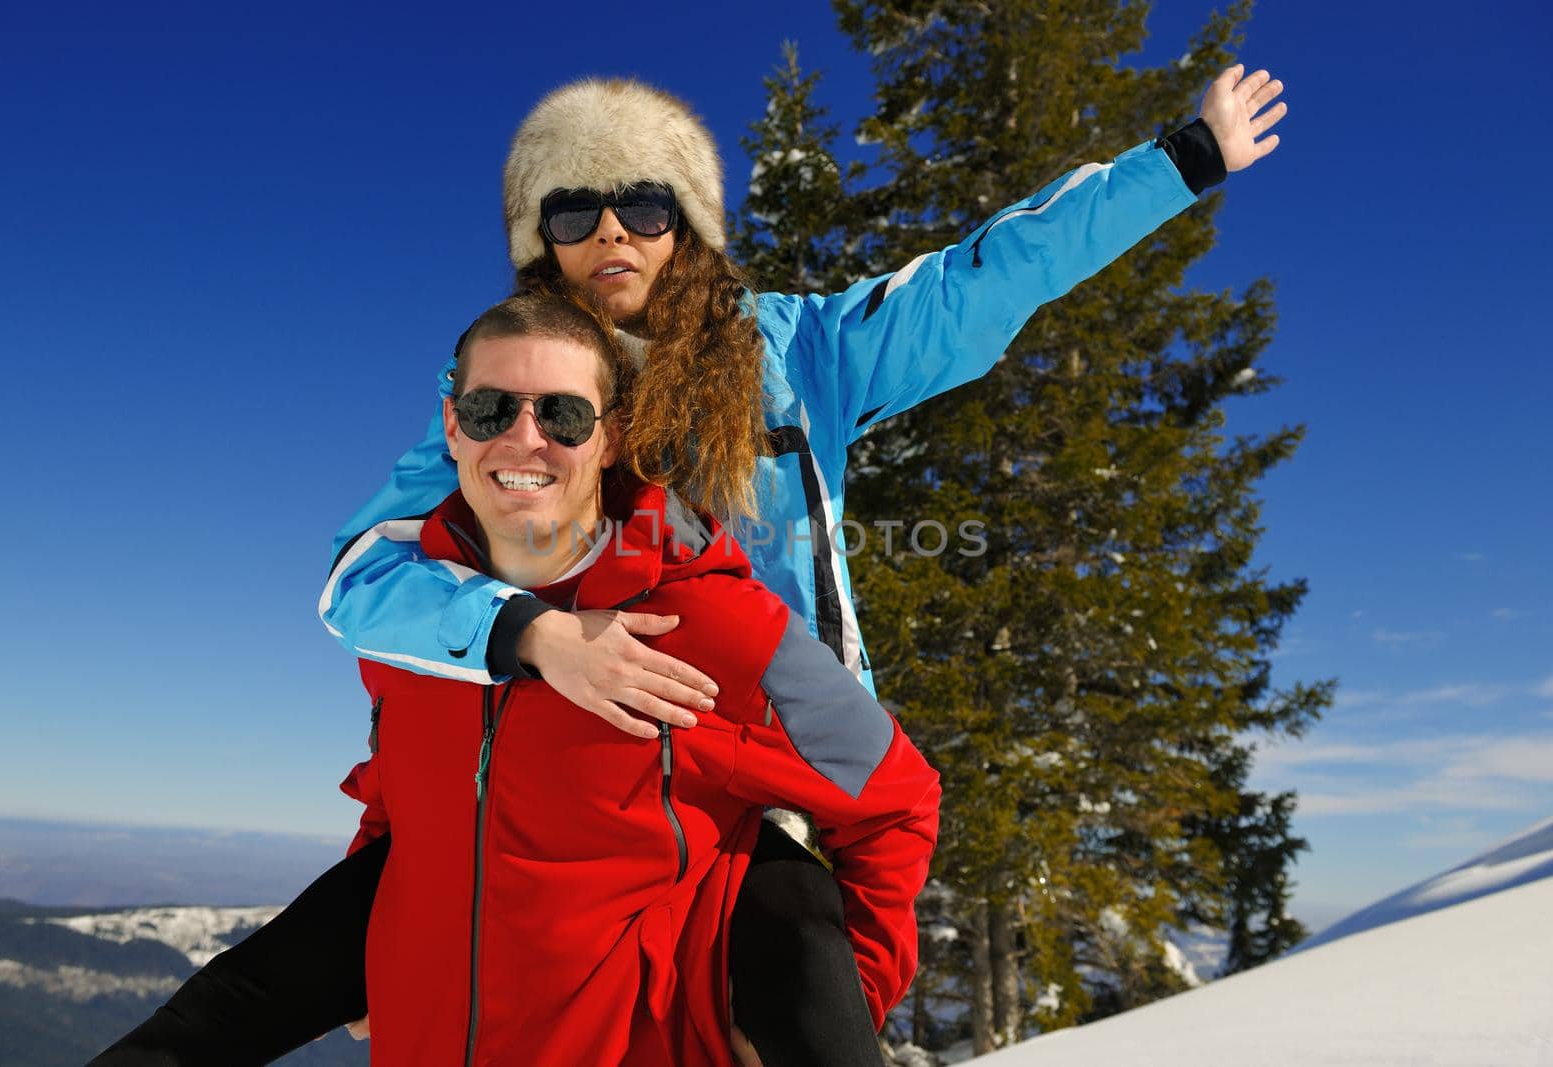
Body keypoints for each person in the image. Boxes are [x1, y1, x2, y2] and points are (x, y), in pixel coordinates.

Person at [94, 68, 1287, 1065]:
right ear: (538, 240)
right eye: (573, 210)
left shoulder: (797, 352)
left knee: (799, 964)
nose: (611, 231)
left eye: (645, 204)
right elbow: (366, 576)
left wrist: (1181, 158)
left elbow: (988, 277)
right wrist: (529, 635)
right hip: (545, 765)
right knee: (240, 1001)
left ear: (692, 223)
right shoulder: (511, 396)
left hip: (738, 775)